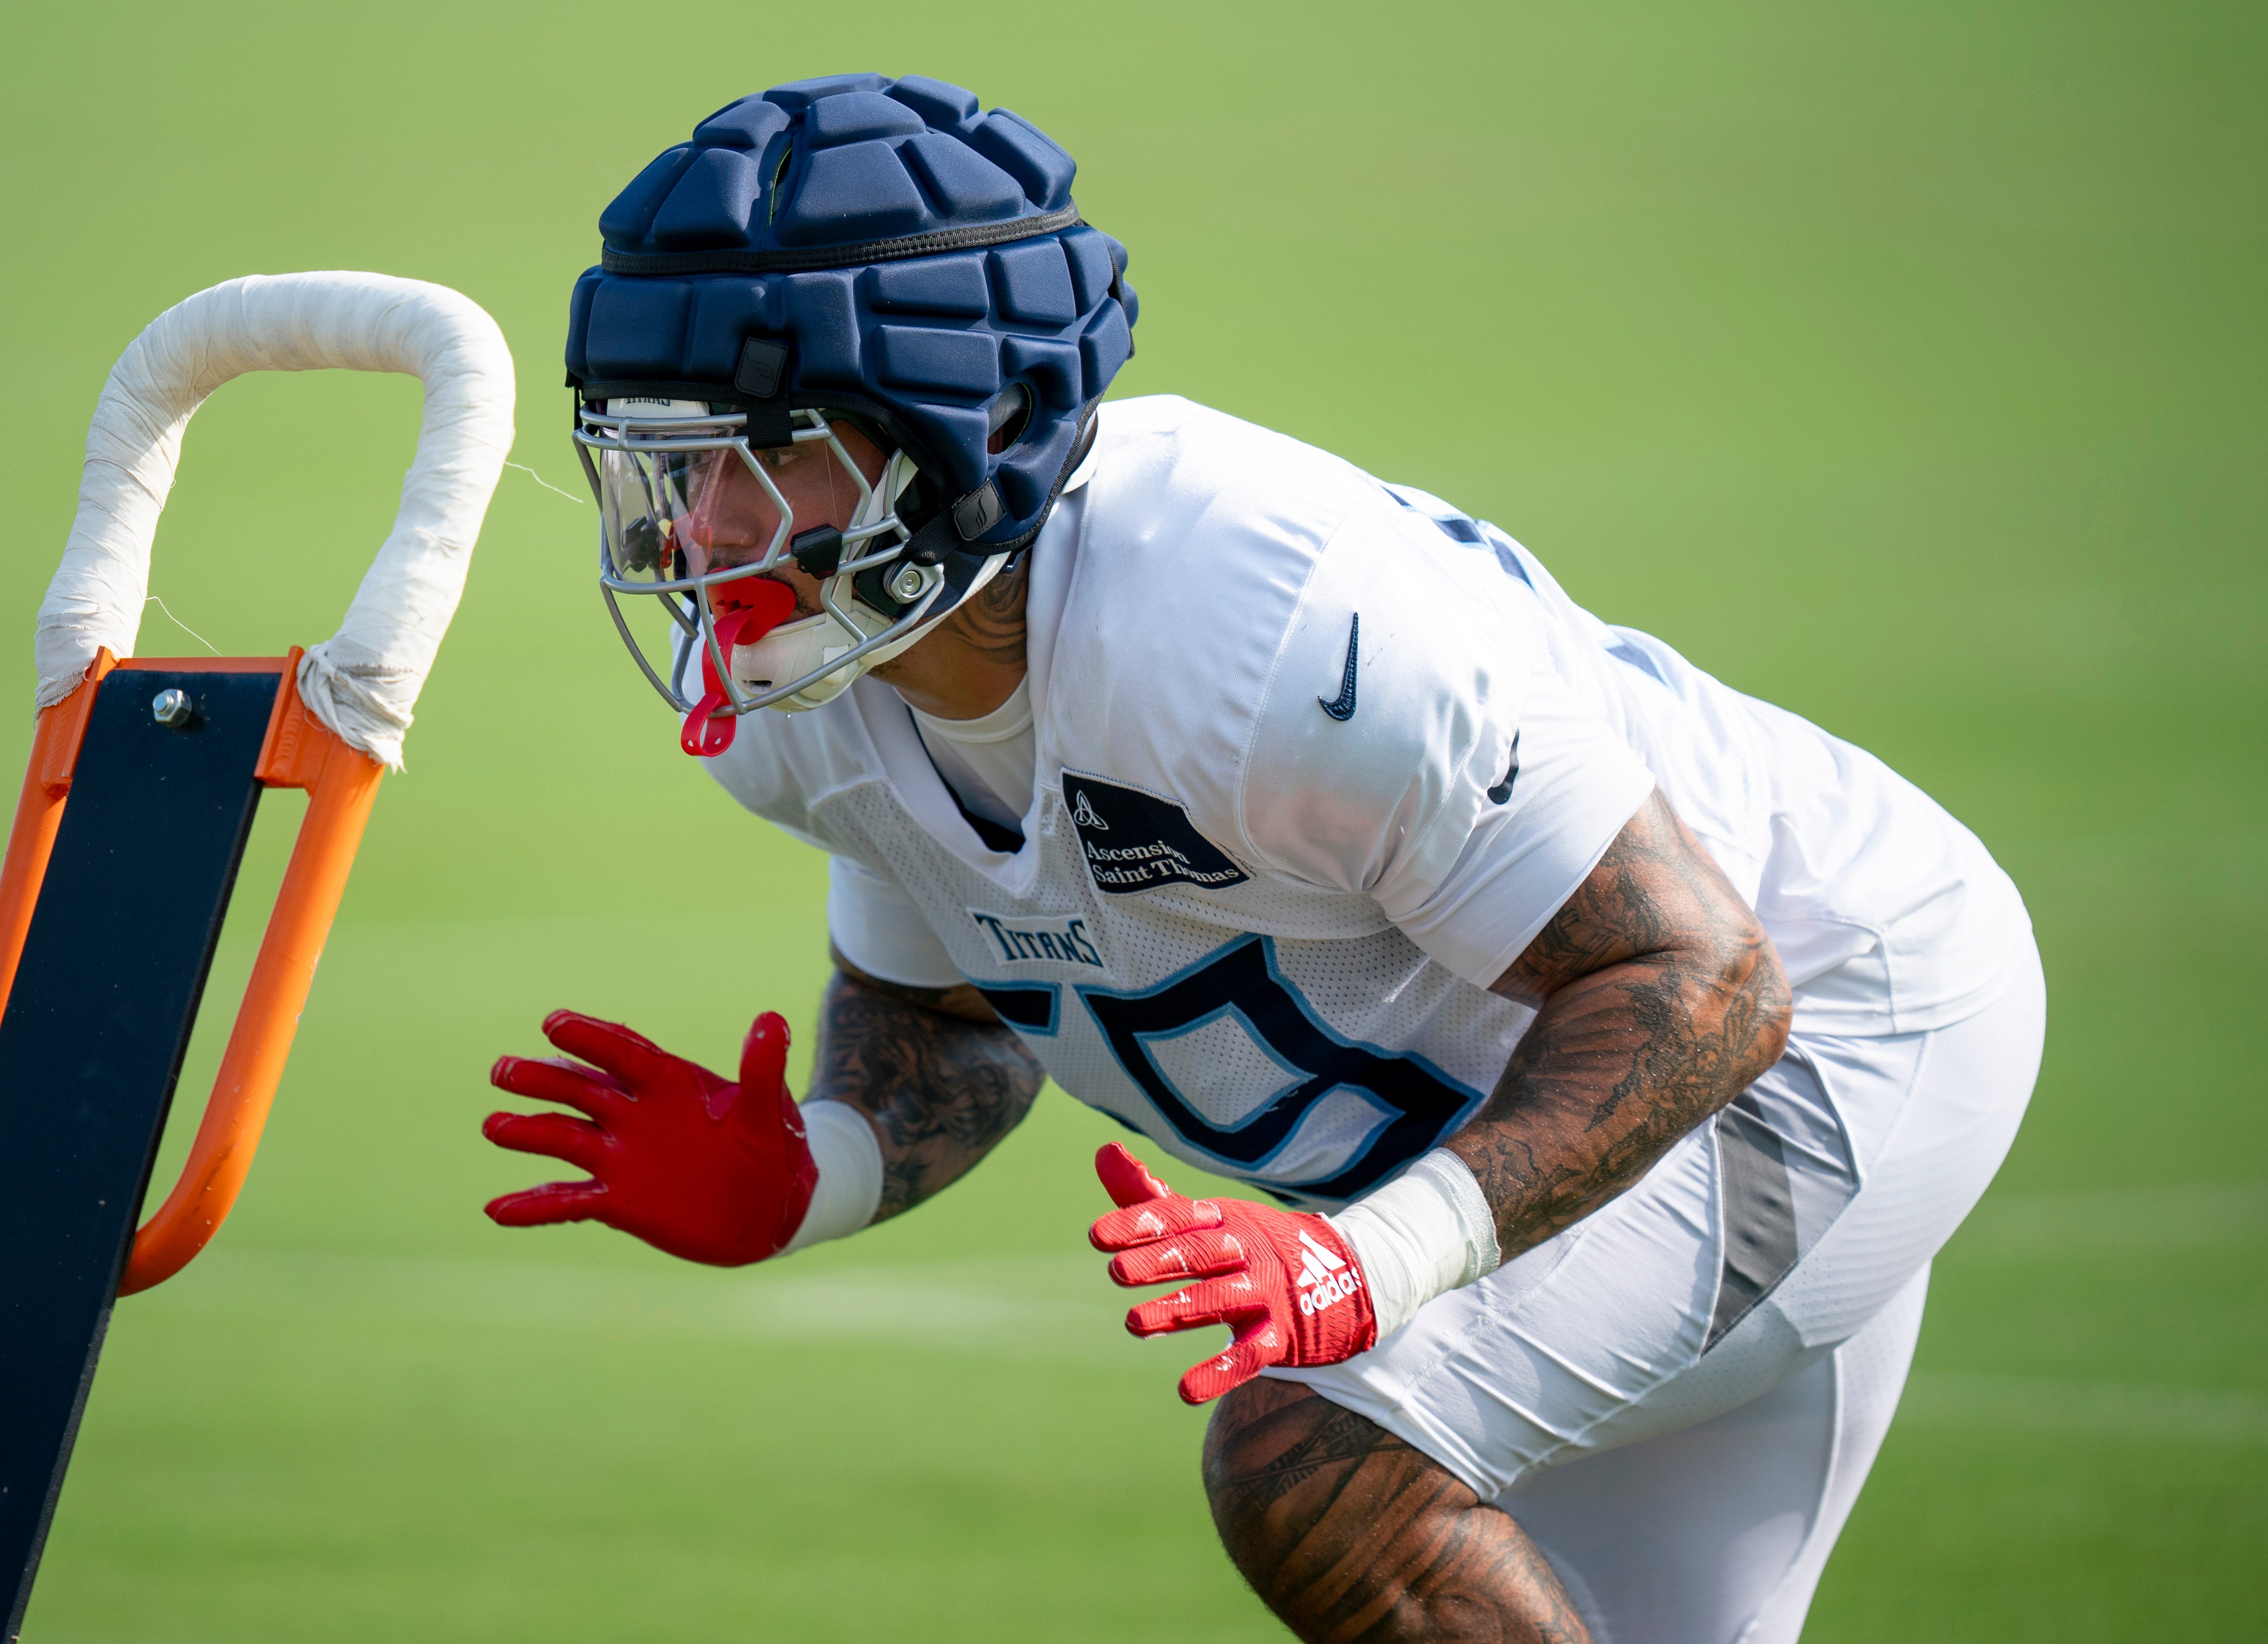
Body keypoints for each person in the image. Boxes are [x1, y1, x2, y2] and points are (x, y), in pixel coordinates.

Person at [482, 72, 2046, 1643]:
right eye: (671, 467)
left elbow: (1698, 978)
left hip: (1830, 1030)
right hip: (1557, 1155)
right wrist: (820, 1170)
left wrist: (1371, 1262)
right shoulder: (804, 690)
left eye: (758, 457)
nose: (692, 536)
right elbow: (964, 1015)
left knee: (1322, 1453)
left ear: (975, 427)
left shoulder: (1254, 619)